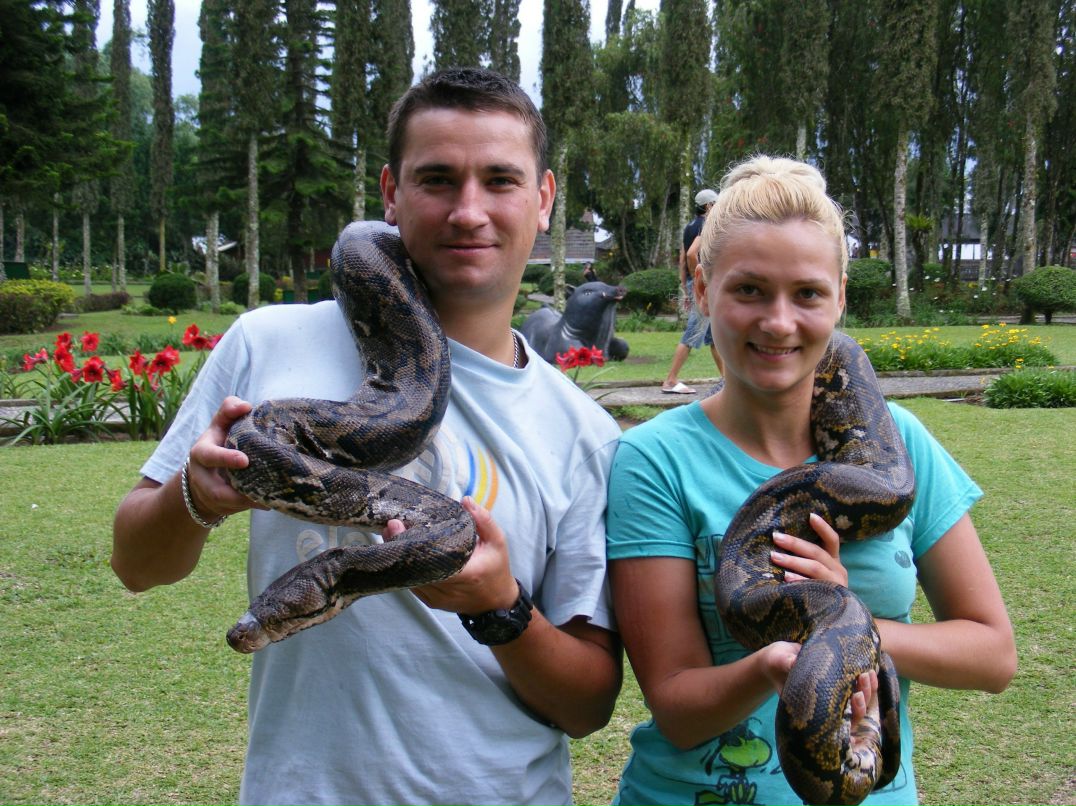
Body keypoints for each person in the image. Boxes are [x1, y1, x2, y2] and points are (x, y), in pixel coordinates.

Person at [111, 68, 623, 806]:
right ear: (390, 192)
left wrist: (500, 605)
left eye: (500, 180)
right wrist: (196, 496)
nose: (468, 211)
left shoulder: (586, 436)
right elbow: (134, 566)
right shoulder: (266, 345)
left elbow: (589, 707)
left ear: (543, 199)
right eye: (436, 179)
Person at [605, 156, 1016, 805]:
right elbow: (677, 710)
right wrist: (781, 656)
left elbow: (993, 656)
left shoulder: (902, 447)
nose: (779, 321)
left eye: (807, 293)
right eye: (749, 290)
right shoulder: (654, 460)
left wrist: (846, 619)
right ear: (703, 291)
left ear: (840, 297)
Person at [662, 188, 722, 394]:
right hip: (702, 285)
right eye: (716, 204)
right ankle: (670, 381)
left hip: (693, 283)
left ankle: (727, 382)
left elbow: (682, 258)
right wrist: (702, 281)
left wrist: (686, 286)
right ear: (708, 206)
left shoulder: (690, 226)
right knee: (692, 333)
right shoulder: (706, 225)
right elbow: (690, 254)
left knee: (714, 337)